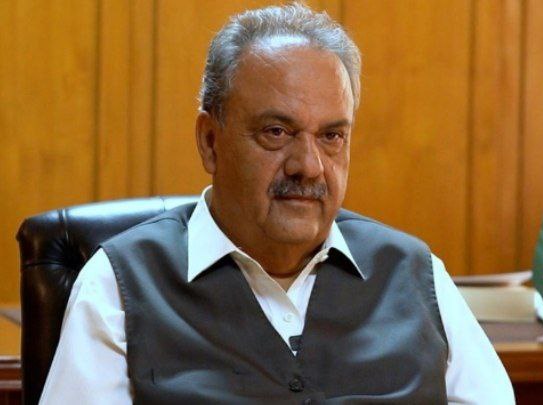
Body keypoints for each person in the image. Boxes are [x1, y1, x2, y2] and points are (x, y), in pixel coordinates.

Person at [40, 3, 513, 404]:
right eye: (277, 132)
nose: (309, 166)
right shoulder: (117, 288)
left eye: (331, 136)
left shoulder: (415, 275)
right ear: (210, 141)